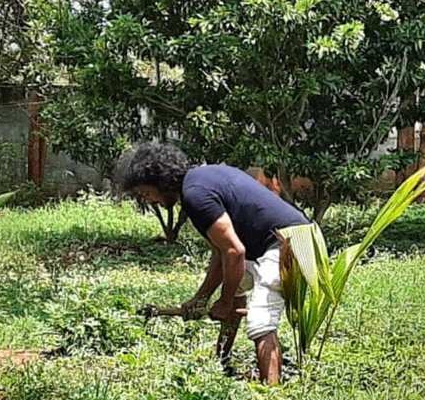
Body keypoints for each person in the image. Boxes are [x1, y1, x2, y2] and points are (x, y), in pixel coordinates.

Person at [120, 142, 309, 384]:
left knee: (261, 320)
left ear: (161, 180)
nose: (149, 200)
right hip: (278, 242)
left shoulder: (195, 195)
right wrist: (202, 298)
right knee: (237, 285)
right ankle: (221, 362)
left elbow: (234, 252)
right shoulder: (203, 179)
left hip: (291, 242)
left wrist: (225, 301)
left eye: (146, 193)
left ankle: (271, 398)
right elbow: (222, 255)